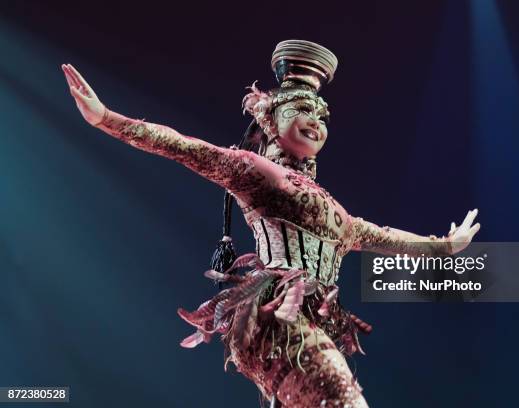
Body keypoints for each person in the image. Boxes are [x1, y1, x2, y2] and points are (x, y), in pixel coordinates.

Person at [62, 40, 480, 408]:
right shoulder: (259, 173)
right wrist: (107, 119)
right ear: (270, 121)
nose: (316, 121)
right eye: (302, 109)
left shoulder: (339, 216)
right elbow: (185, 148)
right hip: (277, 319)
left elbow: (386, 238)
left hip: (307, 324)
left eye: (322, 115)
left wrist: (443, 246)